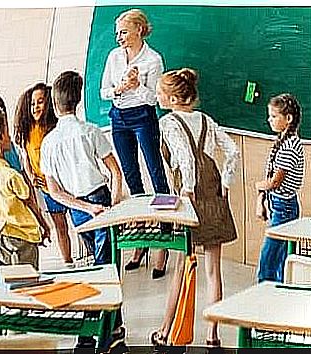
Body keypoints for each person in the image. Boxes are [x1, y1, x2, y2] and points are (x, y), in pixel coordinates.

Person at [152, 68, 239, 347]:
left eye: (159, 93)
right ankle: (212, 337)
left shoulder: (169, 123)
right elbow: (233, 151)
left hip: (191, 199)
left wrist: (187, 194)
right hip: (214, 194)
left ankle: (166, 333)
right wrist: (225, 182)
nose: (156, 97)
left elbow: (187, 160)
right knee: (214, 271)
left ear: (174, 98)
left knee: (181, 266)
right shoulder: (206, 120)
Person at [40, 71, 126, 351]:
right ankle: (104, 332)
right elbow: (115, 171)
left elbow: (54, 192)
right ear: (77, 101)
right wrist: (110, 205)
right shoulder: (90, 131)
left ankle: (96, 332)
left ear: (55, 104)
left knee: (93, 268)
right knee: (108, 269)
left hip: (78, 209)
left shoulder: (49, 142)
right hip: (99, 202)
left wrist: (84, 208)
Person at [100, 8, 170, 278]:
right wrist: (119, 89)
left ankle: (163, 243)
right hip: (119, 117)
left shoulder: (153, 59)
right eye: (117, 32)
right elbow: (103, 91)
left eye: (124, 32)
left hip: (143, 117)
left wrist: (137, 85)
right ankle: (141, 241)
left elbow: (154, 98)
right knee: (132, 177)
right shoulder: (114, 56)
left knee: (156, 174)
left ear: (139, 29)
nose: (119, 37)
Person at [0, 106, 50, 269]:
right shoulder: (11, 175)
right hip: (23, 237)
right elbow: (31, 204)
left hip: (3, 235)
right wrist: (44, 226)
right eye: (7, 133)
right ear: (0, 136)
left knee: (11, 281)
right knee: (29, 281)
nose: (9, 137)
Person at [13, 83, 74, 267]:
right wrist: (30, 173)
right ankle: (68, 262)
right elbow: (25, 155)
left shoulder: (55, 129)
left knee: (80, 224)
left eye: (40, 102)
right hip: (49, 190)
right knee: (60, 226)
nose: (35, 107)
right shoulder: (28, 130)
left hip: (68, 186)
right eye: (33, 104)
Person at [256, 93, 304, 283]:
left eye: (274, 116)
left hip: (284, 207)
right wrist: (261, 198)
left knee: (270, 257)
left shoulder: (290, 146)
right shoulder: (283, 142)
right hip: (278, 204)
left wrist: (258, 186)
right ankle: (274, 292)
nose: (270, 120)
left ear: (288, 118)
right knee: (277, 256)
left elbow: (275, 181)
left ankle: (264, 292)